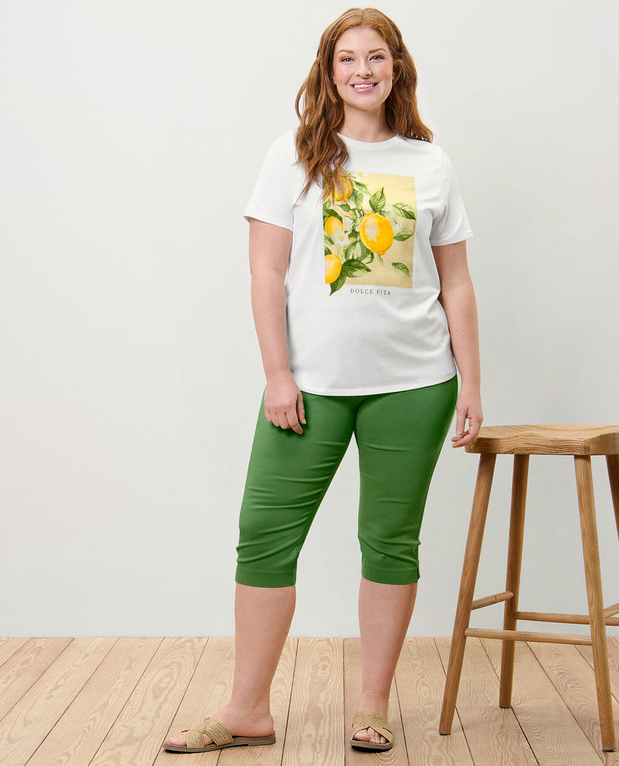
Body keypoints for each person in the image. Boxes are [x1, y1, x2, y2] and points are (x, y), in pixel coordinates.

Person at [164, 6, 481, 755]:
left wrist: (471, 383)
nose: (362, 70)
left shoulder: (429, 164)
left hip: (415, 385)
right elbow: (265, 270)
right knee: (264, 537)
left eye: (377, 57)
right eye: (348, 59)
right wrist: (278, 374)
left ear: (396, 67)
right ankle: (246, 709)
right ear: (327, 71)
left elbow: (458, 285)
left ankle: (373, 704)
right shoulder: (294, 155)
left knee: (390, 543)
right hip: (309, 386)